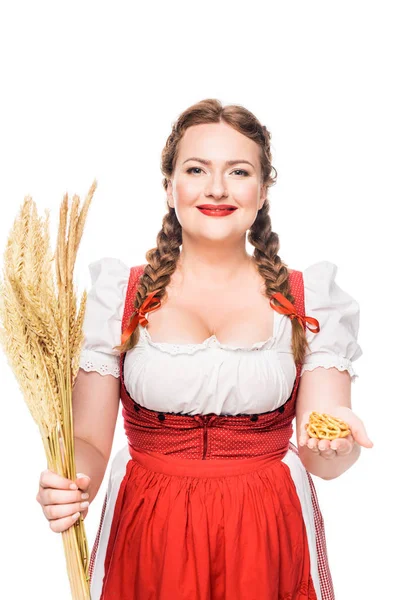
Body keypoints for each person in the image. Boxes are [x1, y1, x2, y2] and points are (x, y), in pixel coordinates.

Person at [36, 98, 373, 600]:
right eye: (197, 169)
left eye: (239, 172)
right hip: (148, 529)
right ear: (170, 185)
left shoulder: (308, 299)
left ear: (263, 191)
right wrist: (72, 483)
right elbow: (91, 442)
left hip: (266, 529)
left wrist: (338, 444)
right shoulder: (121, 296)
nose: (217, 188)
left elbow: (322, 457)